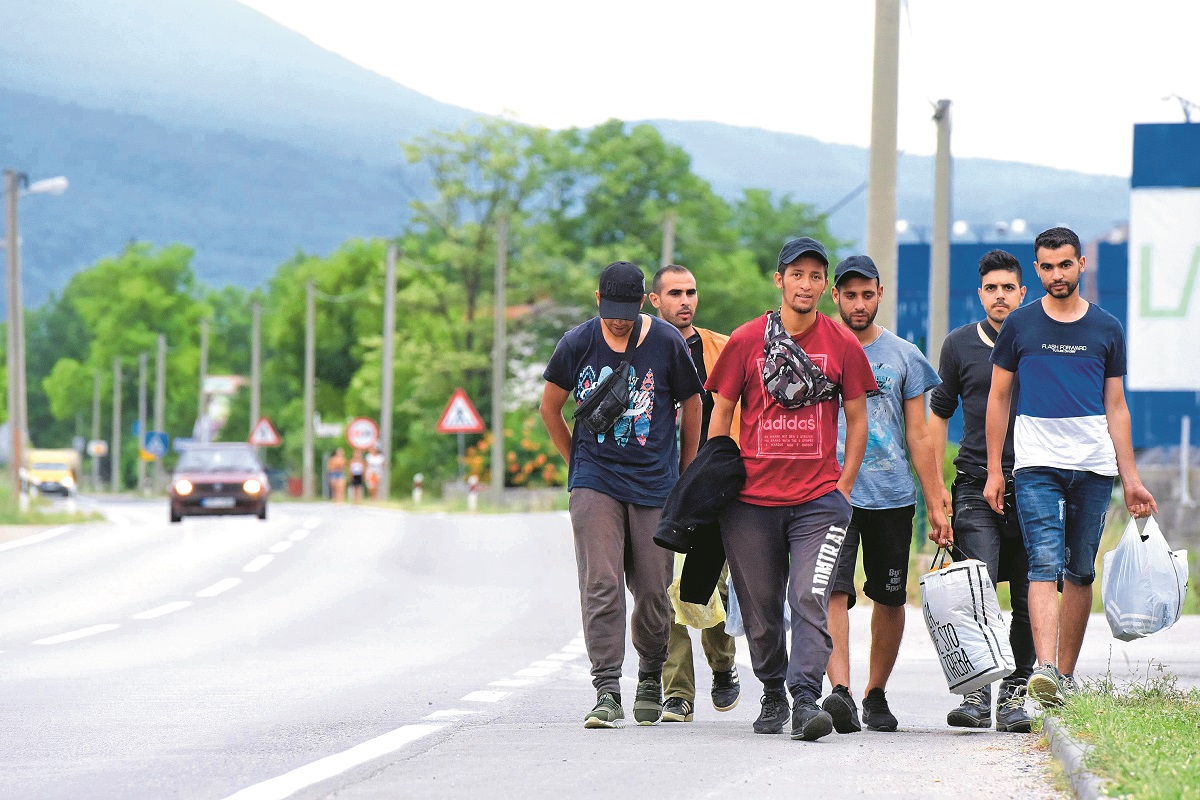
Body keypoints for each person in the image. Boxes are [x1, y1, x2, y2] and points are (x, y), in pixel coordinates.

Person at [706, 237, 876, 742]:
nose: (806, 284)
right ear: (779, 280)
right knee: (760, 609)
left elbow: (857, 418)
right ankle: (773, 690)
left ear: (825, 286)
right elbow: (721, 411)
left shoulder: (841, 343)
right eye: (796, 274)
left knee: (808, 596)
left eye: (815, 276)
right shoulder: (746, 340)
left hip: (818, 502)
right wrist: (715, 477)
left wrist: (843, 487)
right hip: (749, 503)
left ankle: (805, 698)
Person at [985, 226, 1157, 708]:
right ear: (1036, 269)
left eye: (1065, 264)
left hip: (1094, 466)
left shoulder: (1106, 327)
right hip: (1036, 464)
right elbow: (998, 398)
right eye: (1047, 266)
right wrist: (996, 469)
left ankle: (1064, 674)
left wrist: (1131, 478)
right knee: (1043, 562)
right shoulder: (1020, 325)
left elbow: (1116, 406)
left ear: (1081, 264)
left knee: (1080, 570)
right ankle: (1043, 669)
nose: (1056, 274)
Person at [540, 260, 704, 729]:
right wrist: (578, 464)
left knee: (653, 589)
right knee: (601, 583)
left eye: (627, 312)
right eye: (610, 311)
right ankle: (607, 689)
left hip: (654, 483)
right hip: (595, 479)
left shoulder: (667, 342)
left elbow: (692, 404)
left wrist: (686, 474)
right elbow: (550, 408)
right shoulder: (577, 343)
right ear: (598, 300)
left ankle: (650, 674)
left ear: (641, 303)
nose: (618, 321)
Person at [823, 254, 952, 734]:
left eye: (866, 294)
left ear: (880, 294)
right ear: (836, 296)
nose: (858, 304)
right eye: (849, 295)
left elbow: (919, 433)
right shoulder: (817, 349)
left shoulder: (904, 355)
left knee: (890, 596)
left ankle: (874, 693)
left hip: (892, 494)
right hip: (831, 493)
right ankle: (840, 691)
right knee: (833, 591)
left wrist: (936, 500)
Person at [929, 249, 1034, 733]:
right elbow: (938, 413)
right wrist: (936, 489)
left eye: (1008, 288)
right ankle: (977, 693)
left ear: (1022, 293)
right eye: (991, 288)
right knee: (977, 588)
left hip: (1035, 484)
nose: (1000, 296)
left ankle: (1015, 694)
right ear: (980, 294)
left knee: (1030, 596)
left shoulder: (1039, 340)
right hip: (973, 484)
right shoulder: (958, 344)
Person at [648, 263, 741, 723]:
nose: (685, 301)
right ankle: (678, 692)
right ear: (655, 301)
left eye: (691, 292)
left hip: (710, 485)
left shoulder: (722, 348)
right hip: (657, 484)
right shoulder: (643, 351)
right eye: (675, 293)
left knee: (705, 586)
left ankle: (722, 665)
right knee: (662, 588)